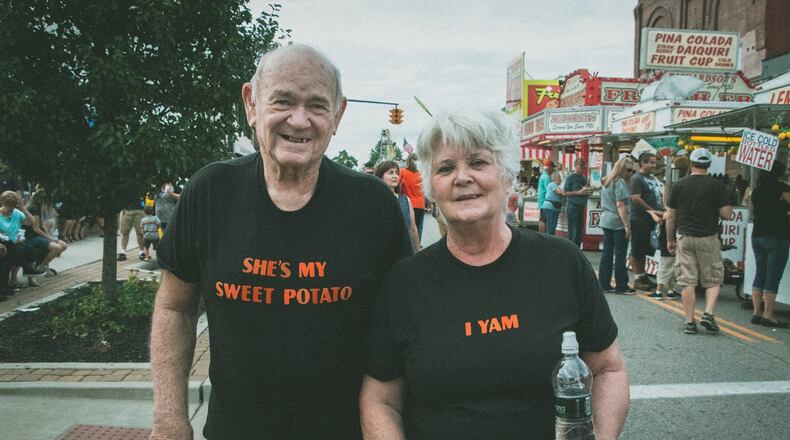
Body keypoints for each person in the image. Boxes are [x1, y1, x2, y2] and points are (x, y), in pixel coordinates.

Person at [149, 44, 412, 440]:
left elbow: (400, 331)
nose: (299, 120)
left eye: (317, 106)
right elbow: (174, 308)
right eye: (283, 101)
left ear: (338, 115)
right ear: (251, 104)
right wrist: (170, 420)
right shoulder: (210, 191)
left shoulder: (372, 203)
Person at [360, 109, 628, 440]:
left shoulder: (561, 261)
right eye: (446, 168)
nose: (462, 177)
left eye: (478, 163)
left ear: (507, 175)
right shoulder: (405, 282)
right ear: (431, 188)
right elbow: (380, 400)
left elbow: (607, 368)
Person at [666, 148, 732, 334]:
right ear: (708, 164)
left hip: (685, 236)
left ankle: (689, 321)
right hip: (708, 237)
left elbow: (670, 216)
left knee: (688, 281)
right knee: (712, 279)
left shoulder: (679, 184)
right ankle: (708, 313)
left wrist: (670, 239)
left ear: (691, 163)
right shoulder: (717, 185)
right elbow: (726, 214)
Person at [749, 160, 790, 328]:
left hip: (757, 235)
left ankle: (756, 312)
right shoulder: (781, 188)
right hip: (777, 236)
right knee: (773, 277)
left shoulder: (757, 190)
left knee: (760, 273)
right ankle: (768, 315)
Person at [599, 156, 636, 295]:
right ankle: (621, 284)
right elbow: (621, 205)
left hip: (606, 219)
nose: (630, 173)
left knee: (607, 253)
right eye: (628, 170)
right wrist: (627, 225)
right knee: (620, 254)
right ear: (621, 168)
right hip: (617, 221)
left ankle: (604, 284)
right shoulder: (620, 182)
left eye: (632, 170)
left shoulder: (607, 181)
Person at [629, 152, 663, 291]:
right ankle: (638, 278)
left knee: (644, 248)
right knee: (637, 249)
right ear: (643, 163)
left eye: (655, 163)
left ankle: (643, 276)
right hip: (640, 218)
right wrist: (652, 210)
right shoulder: (637, 178)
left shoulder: (652, 178)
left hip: (651, 219)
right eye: (651, 162)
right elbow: (635, 198)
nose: (654, 165)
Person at [374, 160, 421, 252]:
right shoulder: (375, 200)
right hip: (382, 251)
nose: (395, 176)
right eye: (390, 173)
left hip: (404, 250)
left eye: (397, 173)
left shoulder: (405, 200)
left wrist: (417, 251)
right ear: (380, 176)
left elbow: (412, 228)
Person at [24, 189, 68, 285]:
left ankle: (43, 266)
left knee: (63, 245)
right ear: (41, 200)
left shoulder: (40, 208)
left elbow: (42, 225)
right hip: (31, 237)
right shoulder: (33, 209)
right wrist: (49, 239)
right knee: (56, 248)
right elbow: (36, 229)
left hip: (39, 235)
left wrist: (49, 236)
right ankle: (39, 268)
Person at [564, 157, 589, 247]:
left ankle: (577, 249)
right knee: (573, 231)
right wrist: (578, 192)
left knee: (579, 231)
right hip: (572, 206)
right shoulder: (570, 177)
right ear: (575, 166)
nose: (582, 167)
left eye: (583, 165)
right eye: (580, 165)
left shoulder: (585, 178)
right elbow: (565, 192)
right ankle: (571, 250)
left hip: (581, 207)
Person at [400, 153, 426, 242]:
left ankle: (410, 245)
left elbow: (398, 186)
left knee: (408, 226)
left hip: (407, 203)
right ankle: (417, 244)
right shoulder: (421, 174)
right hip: (420, 203)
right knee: (418, 227)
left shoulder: (403, 172)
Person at [117, 197, 145, 261]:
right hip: (127, 210)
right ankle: (123, 252)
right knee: (125, 231)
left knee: (140, 232)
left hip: (140, 209)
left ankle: (142, 251)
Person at [537, 158, 555, 233]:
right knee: (544, 220)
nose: (553, 169)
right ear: (549, 167)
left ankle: (540, 235)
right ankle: (543, 236)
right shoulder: (547, 177)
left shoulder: (542, 175)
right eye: (552, 167)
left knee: (541, 220)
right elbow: (549, 189)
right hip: (545, 200)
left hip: (541, 200)